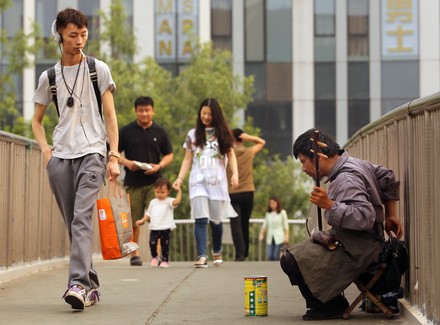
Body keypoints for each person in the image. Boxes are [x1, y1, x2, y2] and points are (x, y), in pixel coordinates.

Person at [32, 8, 120, 310]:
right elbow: (37, 120)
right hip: (61, 158)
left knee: (82, 218)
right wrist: (46, 151)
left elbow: (110, 116)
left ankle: (78, 285)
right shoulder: (49, 77)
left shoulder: (98, 69)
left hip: (93, 152)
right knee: (74, 224)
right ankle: (92, 285)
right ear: (59, 35)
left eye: (83, 34)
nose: (80, 40)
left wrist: (113, 155)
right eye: (73, 35)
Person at [280, 128, 403, 320]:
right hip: (361, 240)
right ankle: (330, 301)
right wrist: (391, 215)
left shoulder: (346, 177)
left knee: (290, 259)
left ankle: (329, 305)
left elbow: (364, 216)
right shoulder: (355, 163)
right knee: (300, 251)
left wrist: (329, 205)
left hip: (360, 246)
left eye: (304, 161)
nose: (303, 168)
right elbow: (387, 175)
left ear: (319, 155)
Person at [173, 98, 239, 268]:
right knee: (200, 218)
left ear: (215, 115)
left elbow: (231, 155)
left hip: (217, 182)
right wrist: (180, 178)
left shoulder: (223, 134)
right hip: (198, 181)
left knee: (216, 220)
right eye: (203, 113)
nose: (206, 117)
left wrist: (235, 175)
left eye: (209, 114)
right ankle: (201, 255)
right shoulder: (192, 134)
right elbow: (187, 159)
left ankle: (216, 251)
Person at [118, 96, 173, 266]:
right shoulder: (126, 131)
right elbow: (116, 153)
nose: (144, 113)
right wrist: (127, 163)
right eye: (141, 110)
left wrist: (159, 166)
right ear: (135, 111)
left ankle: (157, 255)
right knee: (134, 220)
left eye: (147, 110)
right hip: (133, 182)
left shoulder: (160, 131)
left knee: (156, 217)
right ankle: (135, 254)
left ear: (153, 111)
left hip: (154, 184)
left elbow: (169, 154)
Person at [227, 128, 265, 261]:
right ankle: (246, 252)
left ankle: (240, 253)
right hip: (248, 191)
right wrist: (249, 137)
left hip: (233, 192)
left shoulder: (228, 154)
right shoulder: (249, 152)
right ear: (242, 139)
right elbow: (262, 142)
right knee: (245, 223)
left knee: (235, 223)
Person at [136, 177, 181, 268]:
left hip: (165, 227)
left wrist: (179, 192)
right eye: (157, 192)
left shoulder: (169, 201)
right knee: (152, 243)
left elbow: (177, 202)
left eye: (162, 192)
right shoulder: (153, 202)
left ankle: (165, 260)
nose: (159, 194)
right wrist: (142, 221)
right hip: (154, 227)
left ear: (168, 192)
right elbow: (148, 214)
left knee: (165, 245)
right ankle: (155, 257)